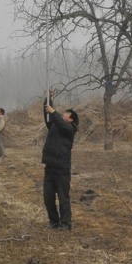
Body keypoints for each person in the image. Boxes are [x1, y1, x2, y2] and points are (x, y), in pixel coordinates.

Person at [41, 95, 79, 231]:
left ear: (71, 119)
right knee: (48, 197)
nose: (64, 113)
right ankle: (54, 222)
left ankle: (66, 223)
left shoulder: (70, 128)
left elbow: (58, 120)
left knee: (63, 198)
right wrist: (48, 98)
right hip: (50, 167)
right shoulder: (54, 125)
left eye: (67, 113)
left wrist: (53, 112)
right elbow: (48, 115)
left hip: (62, 168)